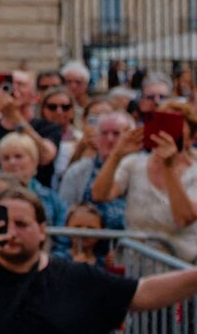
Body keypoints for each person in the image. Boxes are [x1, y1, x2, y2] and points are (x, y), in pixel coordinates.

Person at [0, 185, 197, 332]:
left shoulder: (76, 277)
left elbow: (142, 293)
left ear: (42, 230)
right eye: (5, 224)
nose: (12, 233)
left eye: (22, 224)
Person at [92, 100, 197, 261]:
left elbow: (184, 218)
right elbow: (100, 194)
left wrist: (168, 167)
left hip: (179, 265)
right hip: (136, 263)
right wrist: (117, 155)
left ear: (191, 138)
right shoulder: (134, 163)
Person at [0, 70, 60, 186]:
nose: (13, 89)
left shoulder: (47, 127)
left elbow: (46, 156)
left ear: (34, 96)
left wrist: (15, 116)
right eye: (9, 84)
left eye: (21, 85)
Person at [58, 109, 130, 230]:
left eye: (116, 133)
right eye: (104, 133)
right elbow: (63, 216)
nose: (110, 139)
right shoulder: (78, 171)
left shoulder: (138, 168)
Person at [38, 86, 81, 189]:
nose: (59, 111)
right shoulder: (35, 136)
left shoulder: (81, 138)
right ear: (43, 110)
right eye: (52, 107)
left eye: (65, 107)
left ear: (72, 111)